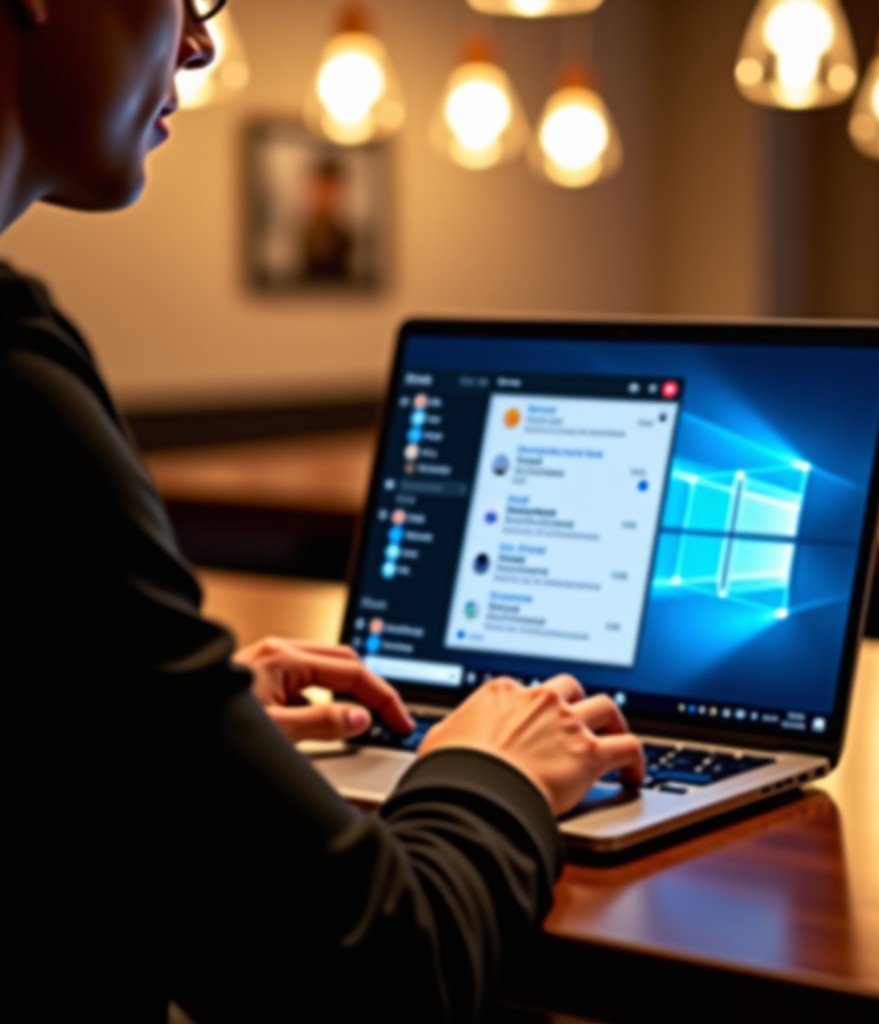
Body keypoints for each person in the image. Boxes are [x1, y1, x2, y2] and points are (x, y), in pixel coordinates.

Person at [0, 1, 645, 1020]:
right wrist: (486, 774)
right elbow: (380, 977)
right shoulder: (13, 399)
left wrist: (178, 730)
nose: (200, 42)